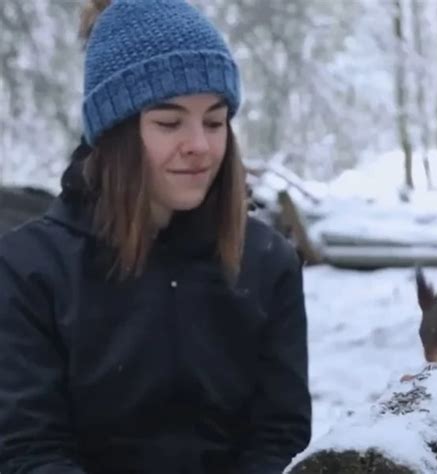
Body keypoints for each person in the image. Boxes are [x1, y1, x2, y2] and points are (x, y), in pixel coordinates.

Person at [0, 0, 312, 473]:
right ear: (113, 134)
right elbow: (28, 449)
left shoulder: (268, 262)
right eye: (169, 123)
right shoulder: (29, 270)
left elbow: (279, 437)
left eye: (214, 120)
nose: (201, 146)